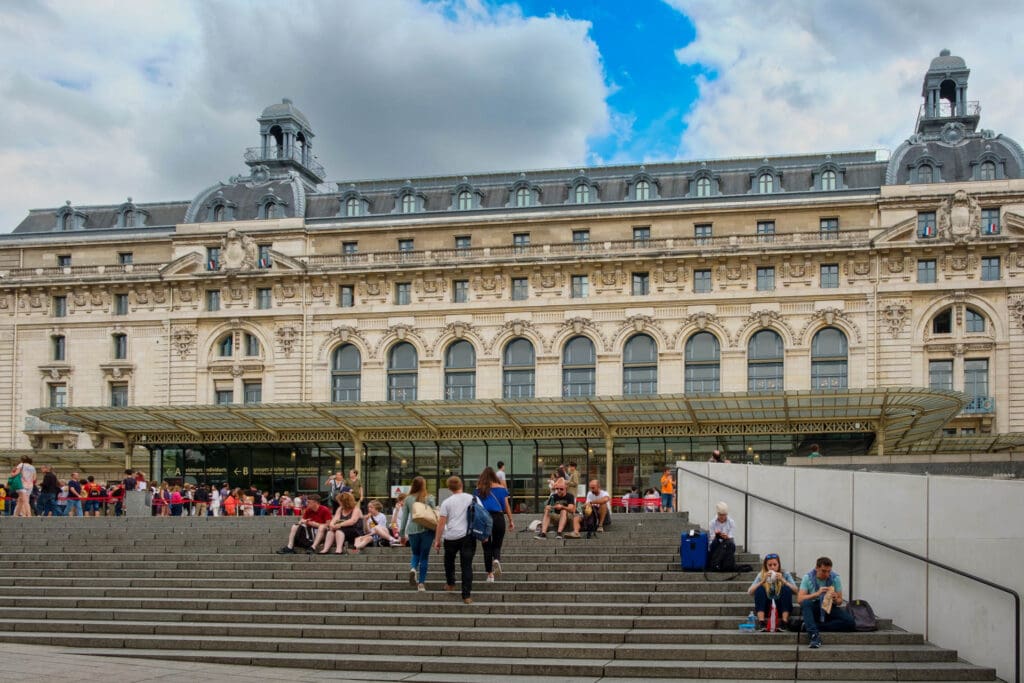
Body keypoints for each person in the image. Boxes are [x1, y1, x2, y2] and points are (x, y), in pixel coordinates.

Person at [434, 476, 477, 605]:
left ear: (449, 488)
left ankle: (451, 583)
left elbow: (441, 524)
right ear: (461, 485)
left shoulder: (447, 502)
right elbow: (481, 515)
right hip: (468, 536)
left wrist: (437, 540)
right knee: (467, 566)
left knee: (449, 561)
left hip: (451, 536)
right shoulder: (472, 498)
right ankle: (466, 596)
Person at [797, 556, 855, 648]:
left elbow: (840, 601)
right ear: (817, 568)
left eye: (829, 571)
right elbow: (800, 599)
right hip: (815, 607)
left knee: (850, 623)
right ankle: (814, 635)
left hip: (829, 607)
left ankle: (811, 626)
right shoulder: (807, 577)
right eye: (824, 571)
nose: (827, 574)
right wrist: (817, 593)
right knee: (806, 603)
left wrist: (836, 598)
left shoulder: (835, 578)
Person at [474, 467, 514, 583]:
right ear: (494, 476)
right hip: (498, 518)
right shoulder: (502, 489)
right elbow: (506, 506)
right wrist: (511, 520)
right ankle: (496, 559)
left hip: (484, 519)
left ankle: (490, 574)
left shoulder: (478, 490)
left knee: (486, 547)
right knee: (497, 544)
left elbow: (476, 507)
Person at [399, 476, 435, 592]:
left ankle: (413, 568)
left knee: (415, 554)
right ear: (424, 485)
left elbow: (404, 518)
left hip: (412, 531)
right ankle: (421, 584)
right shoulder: (429, 498)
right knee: (424, 557)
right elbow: (434, 515)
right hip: (426, 530)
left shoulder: (408, 499)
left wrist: (402, 535)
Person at [748, 552, 799, 631]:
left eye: (775, 565)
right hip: (767, 605)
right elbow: (750, 592)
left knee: (786, 588)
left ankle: (784, 622)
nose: (772, 567)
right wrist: (762, 581)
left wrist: (783, 581)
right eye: (770, 565)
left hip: (780, 605)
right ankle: (761, 622)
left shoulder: (785, 574)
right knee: (759, 588)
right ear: (766, 565)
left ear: (779, 564)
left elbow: (796, 591)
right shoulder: (761, 575)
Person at [707, 501, 736, 570]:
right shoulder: (712, 523)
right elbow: (711, 538)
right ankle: (717, 564)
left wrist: (726, 537)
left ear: (727, 514)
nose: (722, 517)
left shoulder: (731, 522)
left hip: (727, 543)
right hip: (716, 545)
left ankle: (724, 564)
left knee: (729, 543)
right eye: (720, 515)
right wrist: (717, 536)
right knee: (719, 542)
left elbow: (731, 536)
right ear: (717, 514)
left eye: (724, 515)